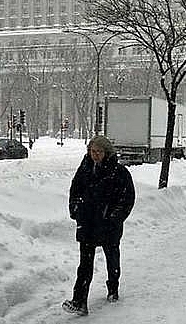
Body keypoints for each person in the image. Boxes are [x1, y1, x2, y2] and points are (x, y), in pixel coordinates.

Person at [62, 135, 135, 316]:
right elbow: (75, 190)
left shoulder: (119, 172)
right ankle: (79, 302)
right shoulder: (85, 168)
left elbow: (127, 199)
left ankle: (113, 287)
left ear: (107, 152)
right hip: (87, 223)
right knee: (85, 265)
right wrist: (76, 209)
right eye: (92, 151)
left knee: (112, 256)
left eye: (99, 152)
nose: (95, 155)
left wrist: (114, 217)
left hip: (108, 224)